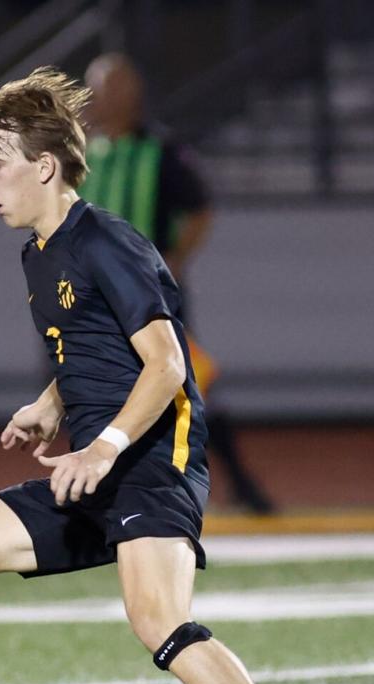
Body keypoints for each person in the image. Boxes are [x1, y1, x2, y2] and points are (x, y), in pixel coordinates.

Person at [0, 67, 346, 684]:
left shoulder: (106, 241)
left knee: (159, 623)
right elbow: (94, 357)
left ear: (43, 167)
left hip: (150, 467)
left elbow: (168, 364)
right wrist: (49, 405)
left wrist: (100, 448)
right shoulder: (38, 253)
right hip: (94, 469)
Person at [78, 53, 275, 515]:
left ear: (134, 95)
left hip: (151, 301)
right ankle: (94, 492)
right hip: (92, 302)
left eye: (112, 89)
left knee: (190, 383)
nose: (102, 99)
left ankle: (238, 483)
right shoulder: (83, 154)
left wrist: (175, 259)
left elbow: (201, 208)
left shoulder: (160, 152)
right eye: (98, 89)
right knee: (82, 389)